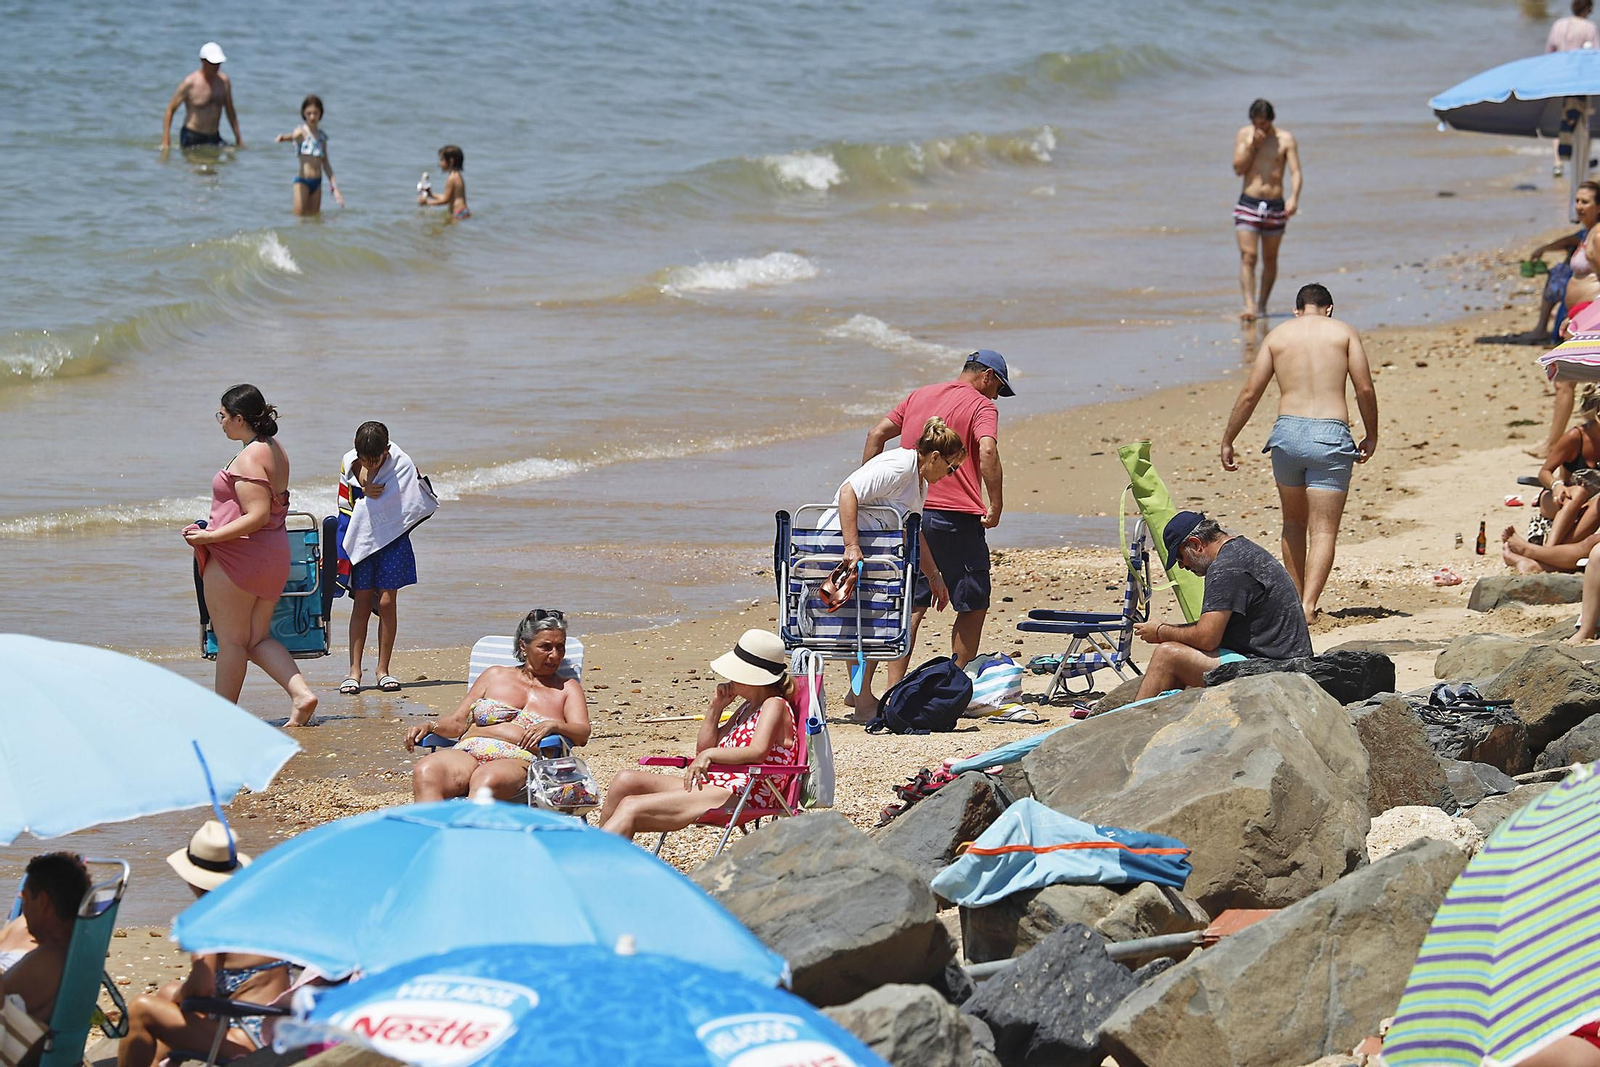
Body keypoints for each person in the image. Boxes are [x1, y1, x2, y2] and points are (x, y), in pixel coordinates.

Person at [1219, 283, 1377, 623]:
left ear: (1297, 310)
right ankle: (1308, 605)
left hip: (1287, 435)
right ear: (1329, 308)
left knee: (1292, 521)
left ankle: (1292, 605)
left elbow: (1251, 392)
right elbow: (1363, 386)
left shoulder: (1278, 336)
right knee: (1323, 530)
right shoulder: (1343, 332)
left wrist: (1229, 437)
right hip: (1329, 435)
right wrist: (1371, 433)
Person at [860, 351, 1012, 682]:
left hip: (909, 512)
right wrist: (996, 504)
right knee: (972, 602)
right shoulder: (981, 405)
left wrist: (872, 494)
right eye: (998, 388)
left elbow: (876, 435)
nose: (996, 396)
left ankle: (891, 690)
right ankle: (954, 683)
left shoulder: (920, 395)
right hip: (954, 515)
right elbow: (987, 450)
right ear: (987, 376)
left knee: (912, 604)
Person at [183, 385, 317, 726]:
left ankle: (221, 718)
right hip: (272, 556)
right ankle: (302, 695)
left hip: (238, 559)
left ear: (240, 418)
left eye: (223, 416)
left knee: (230, 641)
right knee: (256, 638)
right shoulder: (274, 448)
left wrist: (208, 536)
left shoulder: (248, 457)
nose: (221, 423)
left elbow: (255, 516)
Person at [828, 416, 967, 722]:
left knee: (875, 617)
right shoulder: (899, 466)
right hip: (841, 548)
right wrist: (851, 546)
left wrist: (934, 576)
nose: (951, 474)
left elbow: (912, 530)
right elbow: (848, 492)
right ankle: (862, 699)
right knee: (875, 620)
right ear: (934, 457)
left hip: (869, 554)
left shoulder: (919, 482)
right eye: (950, 467)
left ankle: (858, 694)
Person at [118, 823, 291, 1067]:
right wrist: (177, 995)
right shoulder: (256, 909)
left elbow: (201, 989)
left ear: (191, 879)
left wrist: (182, 994)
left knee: (141, 1009)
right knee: (168, 992)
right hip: (277, 1030)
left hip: (247, 1040)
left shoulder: (208, 921)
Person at [600, 629, 796, 840]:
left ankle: (591, 864)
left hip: (746, 794)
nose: (728, 677)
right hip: (719, 785)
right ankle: (595, 854)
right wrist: (715, 707)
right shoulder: (746, 708)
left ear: (748, 676)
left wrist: (709, 756)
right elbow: (703, 748)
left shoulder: (774, 705)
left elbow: (757, 752)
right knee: (625, 780)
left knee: (631, 806)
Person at [402, 609, 589, 801]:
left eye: (560, 647)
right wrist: (429, 726)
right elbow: (458, 722)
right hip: (468, 751)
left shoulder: (567, 688)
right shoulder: (494, 675)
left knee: (486, 780)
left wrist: (554, 725)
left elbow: (582, 733)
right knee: (427, 771)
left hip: (518, 759)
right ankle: (432, 830)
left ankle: (467, 829)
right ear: (523, 646)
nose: (555, 655)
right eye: (546, 647)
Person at [1131, 512, 1313, 701]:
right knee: (1177, 648)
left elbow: (1206, 638)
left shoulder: (1225, 568)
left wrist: (1161, 632)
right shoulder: (1241, 550)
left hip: (1277, 669)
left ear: (1195, 544)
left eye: (1180, 558)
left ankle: (1133, 725)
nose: (1183, 566)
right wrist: (1170, 630)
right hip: (1287, 661)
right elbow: (1211, 629)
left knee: (1167, 655)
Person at [337, 422, 434, 695]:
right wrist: (363, 492)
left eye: (375, 459)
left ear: (387, 450)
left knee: (388, 601)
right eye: (365, 459)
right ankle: (354, 671)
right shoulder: (349, 462)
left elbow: (412, 499)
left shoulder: (401, 462)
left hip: (393, 539)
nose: (370, 463)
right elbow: (344, 503)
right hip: (362, 540)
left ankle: (383, 670)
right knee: (362, 601)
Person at [1539, 184, 1600, 458]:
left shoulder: (1598, 236)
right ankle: (1558, 443)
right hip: (1580, 314)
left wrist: (1586, 317)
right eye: (1576, 200)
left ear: (1599, 206)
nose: (1578, 206)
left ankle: (1554, 445)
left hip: (1592, 314)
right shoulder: (1587, 234)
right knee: (1568, 379)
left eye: (1585, 201)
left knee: (1565, 378)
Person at [1231, 99, 1302, 322]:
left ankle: (1262, 305)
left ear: (1272, 120)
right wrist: (1253, 146)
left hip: (1275, 204)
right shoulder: (1244, 135)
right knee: (1248, 256)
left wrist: (1294, 197)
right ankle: (1250, 306)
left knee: (1270, 258)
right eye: (1256, 123)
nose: (1260, 127)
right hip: (1249, 203)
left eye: (1264, 124)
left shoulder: (1285, 139)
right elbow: (1238, 168)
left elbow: (1296, 172)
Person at [0, 853, 89, 1026]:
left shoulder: (50, 958)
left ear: (42, 901)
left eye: (25, 897)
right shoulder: (70, 950)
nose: (21, 900)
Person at [1536, 384, 1600, 549]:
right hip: (1558, 499)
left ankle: (1549, 556)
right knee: (1578, 492)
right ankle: (1549, 550)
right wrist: (1557, 486)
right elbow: (1544, 472)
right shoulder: (1575, 437)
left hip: (1589, 506)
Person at [161, 43, 242, 151]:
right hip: (192, 136)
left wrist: (238, 138)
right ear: (202, 60)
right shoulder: (190, 83)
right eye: (213, 63)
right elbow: (170, 110)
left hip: (214, 136)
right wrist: (166, 140)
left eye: (218, 63)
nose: (216, 66)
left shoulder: (223, 82)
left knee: (228, 158)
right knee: (197, 166)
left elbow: (230, 110)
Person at [274, 95, 342, 216]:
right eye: (309, 113)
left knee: (313, 220)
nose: (312, 116)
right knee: (299, 218)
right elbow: (292, 136)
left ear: (320, 114)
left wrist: (334, 188)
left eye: (315, 113)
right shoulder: (301, 132)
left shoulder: (322, 137)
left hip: (317, 183)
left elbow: (326, 164)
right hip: (302, 182)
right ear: (303, 113)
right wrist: (283, 138)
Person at [418, 145, 469, 220]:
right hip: (462, 211)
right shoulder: (457, 175)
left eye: (442, 160)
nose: (439, 163)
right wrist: (431, 195)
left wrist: (427, 202)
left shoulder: (452, 178)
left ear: (451, 161)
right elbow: (449, 197)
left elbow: (445, 200)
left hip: (458, 213)